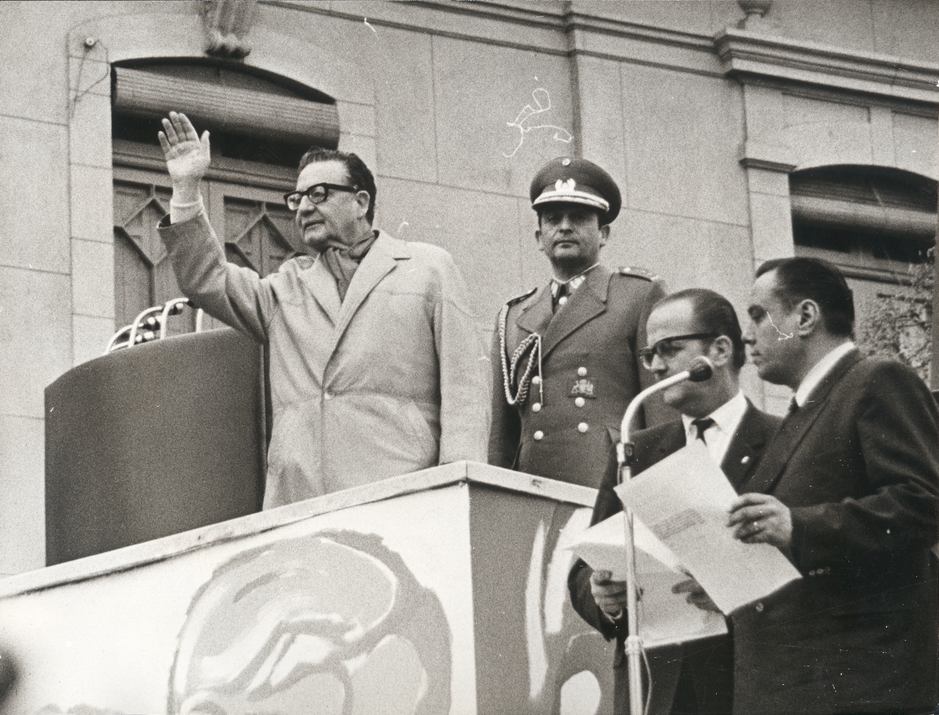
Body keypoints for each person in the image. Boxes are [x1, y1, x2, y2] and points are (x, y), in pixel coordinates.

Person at [156, 112, 488, 509]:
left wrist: (457, 489)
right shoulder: (286, 287)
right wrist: (187, 188)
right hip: (301, 503)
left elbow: (465, 389)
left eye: (320, 194)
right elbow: (206, 279)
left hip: (401, 495)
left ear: (361, 201)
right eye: (297, 199)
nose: (303, 209)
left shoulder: (427, 268)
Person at [729, 256, 939, 715]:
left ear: (805, 317)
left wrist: (798, 527)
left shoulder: (878, 380)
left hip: (858, 686)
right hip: (796, 686)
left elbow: (923, 505)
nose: (748, 335)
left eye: (759, 315)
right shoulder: (803, 410)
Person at [569, 288, 781, 715]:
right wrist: (603, 597)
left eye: (669, 349)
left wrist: (735, 588)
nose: (656, 366)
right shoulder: (636, 449)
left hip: (747, 681)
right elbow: (583, 572)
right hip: (656, 686)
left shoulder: (784, 440)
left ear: (720, 350)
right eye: (650, 354)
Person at [489, 156, 671, 489]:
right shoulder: (513, 316)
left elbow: (661, 416)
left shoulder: (637, 296)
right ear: (538, 237)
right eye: (553, 219)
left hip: (606, 484)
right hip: (532, 486)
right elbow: (503, 438)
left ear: (603, 233)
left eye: (579, 218)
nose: (565, 227)